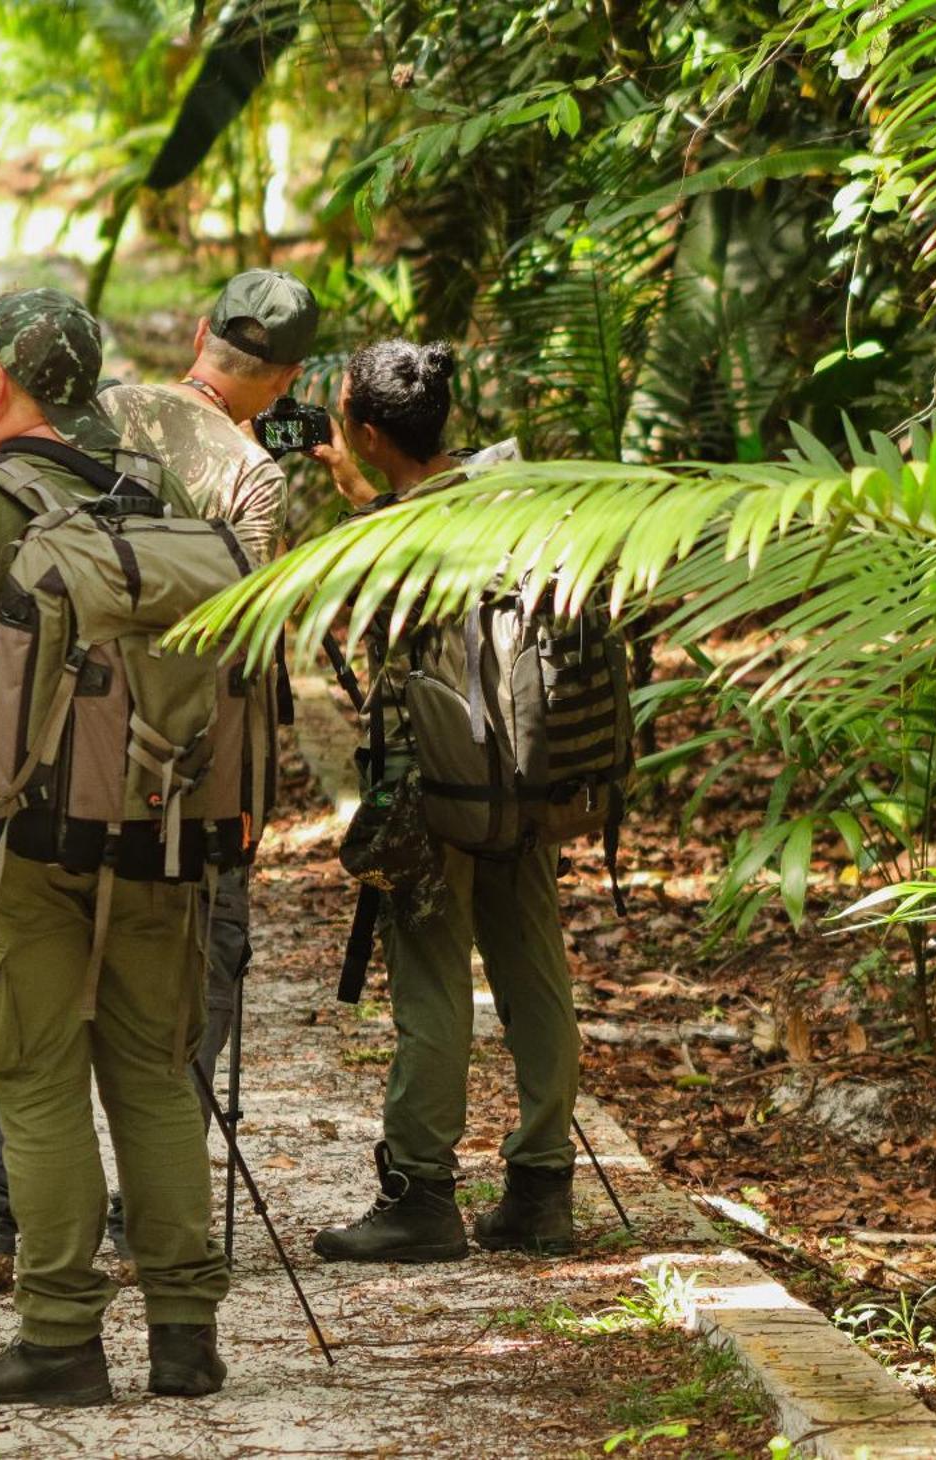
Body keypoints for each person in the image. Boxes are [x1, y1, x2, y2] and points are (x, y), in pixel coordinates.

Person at [0, 287, 227, 1405]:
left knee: (36, 1074)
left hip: (10, 836)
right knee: (156, 1075)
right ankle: (184, 1336)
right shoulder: (152, 496)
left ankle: (61, 1335)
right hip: (154, 826)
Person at [0, 268, 320, 1290]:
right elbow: (237, 630)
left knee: (34, 978)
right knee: (189, 983)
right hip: (176, 760)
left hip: (53, 739)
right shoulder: (254, 477)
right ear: (282, 381)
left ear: (198, 334)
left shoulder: (103, 413)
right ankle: (150, 1220)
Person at [307, 340, 582, 1263]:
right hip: (524, 779)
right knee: (533, 972)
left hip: (434, 795)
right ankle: (543, 1188)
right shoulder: (510, 503)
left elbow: (368, 636)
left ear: (371, 433)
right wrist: (363, 491)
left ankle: (422, 1194)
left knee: (432, 986)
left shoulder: (391, 542)